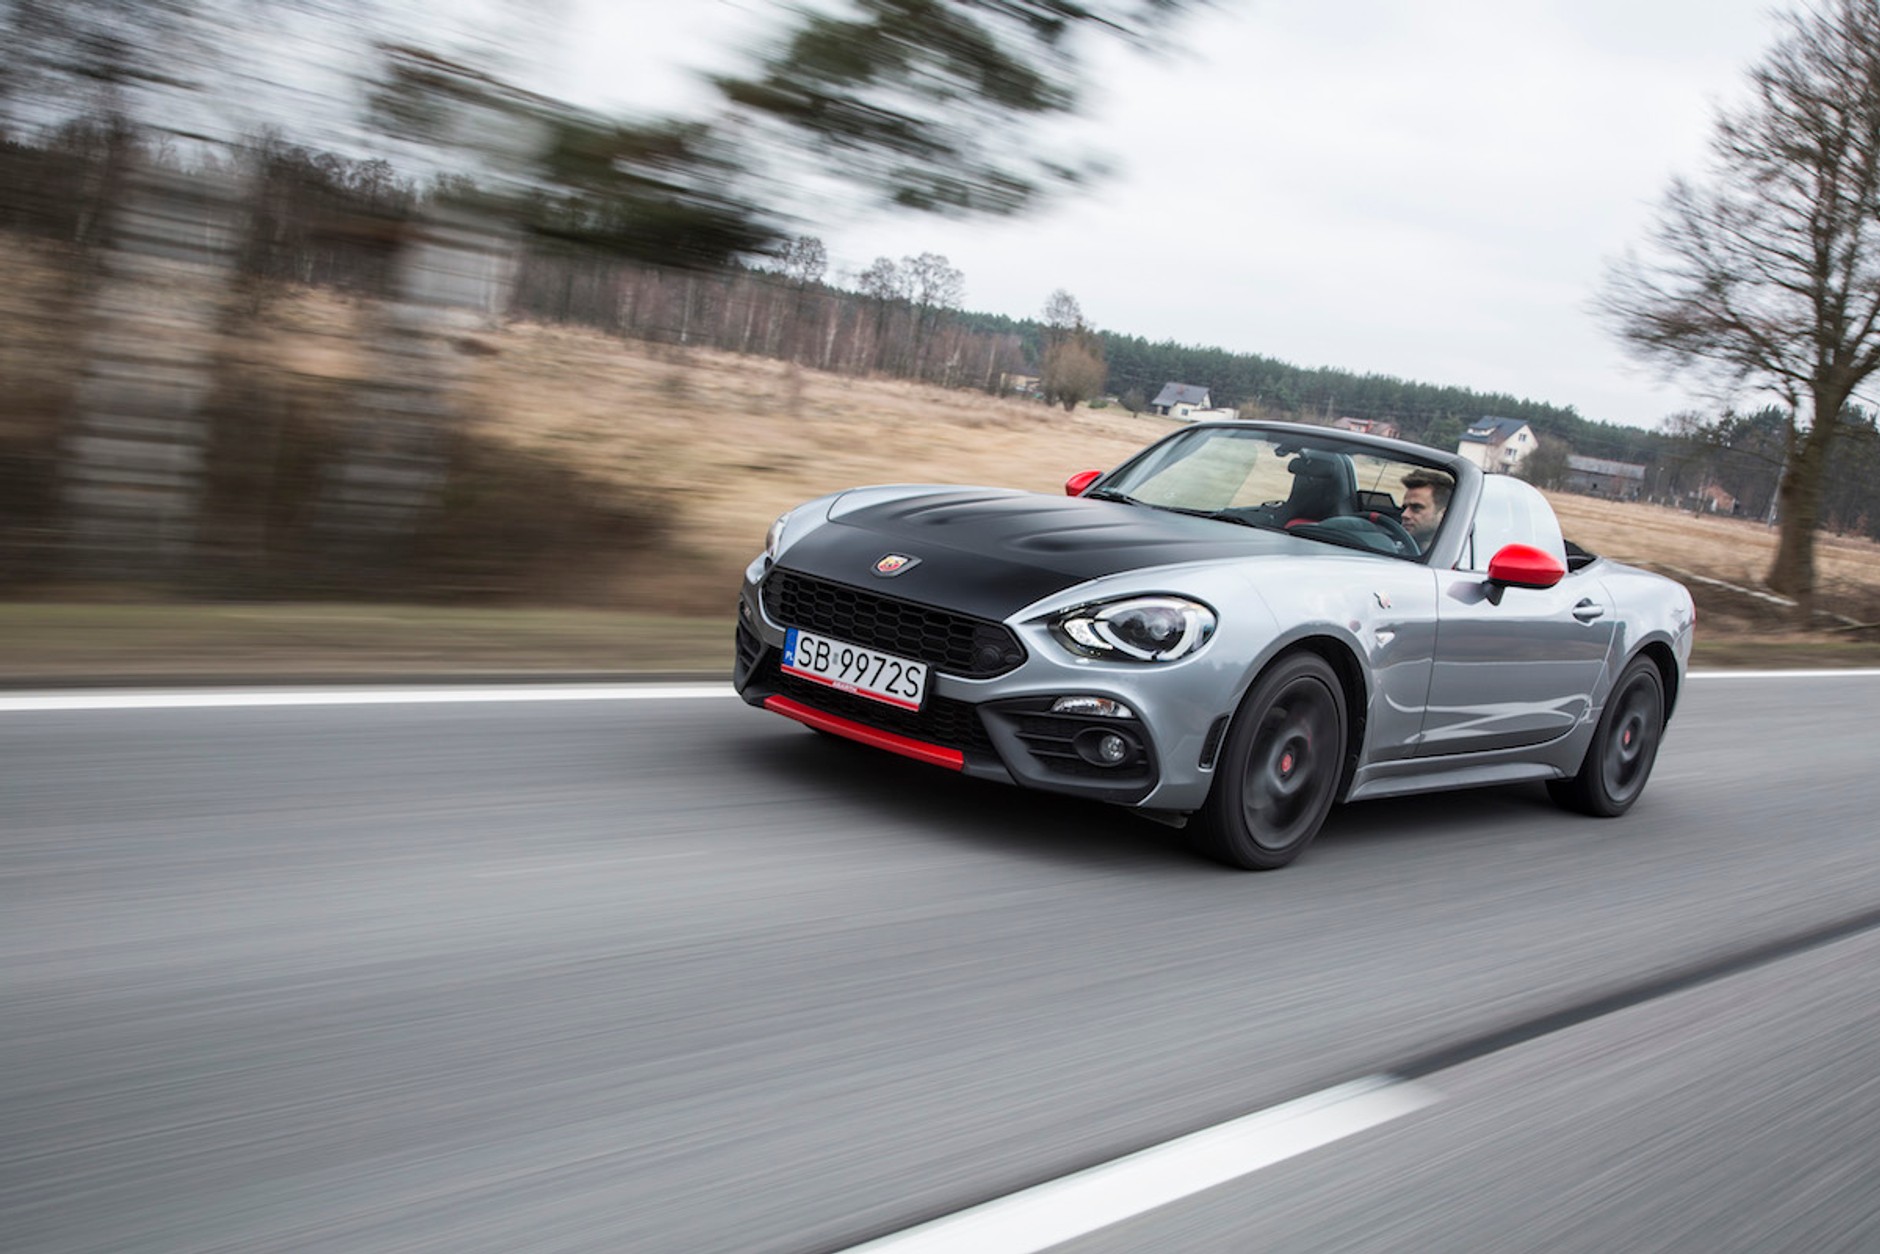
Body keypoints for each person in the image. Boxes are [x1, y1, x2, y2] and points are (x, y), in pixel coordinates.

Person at [1399, 470, 1452, 551]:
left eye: (1416, 508)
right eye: (1405, 508)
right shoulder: (1394, 547)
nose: (1404, 514)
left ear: (1444, 514)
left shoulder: (1452, 555)